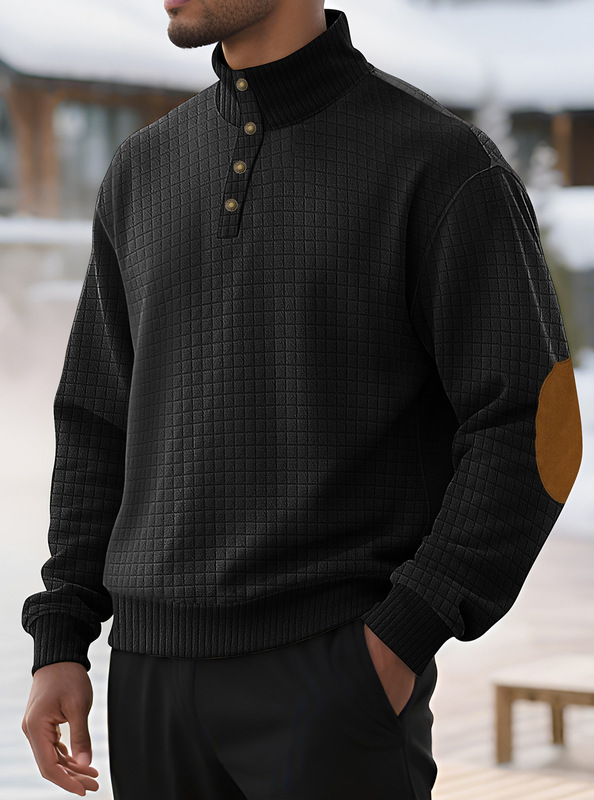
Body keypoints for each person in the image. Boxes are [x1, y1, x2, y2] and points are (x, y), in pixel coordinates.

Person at [21, 1, 583, 798]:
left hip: (333, 679)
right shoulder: (141, 169)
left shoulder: (439, 163)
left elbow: (536, 426)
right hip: (149, 683)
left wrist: (402, 637)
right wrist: (62, 635)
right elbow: (94, 421)